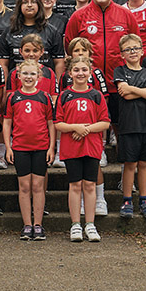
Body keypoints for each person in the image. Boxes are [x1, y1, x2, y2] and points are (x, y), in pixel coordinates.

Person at [55, 60, 110, 242]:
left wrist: (85, 129)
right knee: (75, 185)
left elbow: (105, 122)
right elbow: (58, 123)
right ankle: (75, 224)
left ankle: (90, 224)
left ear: (90, 72)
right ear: (70, 73)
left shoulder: (96, 95)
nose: (80, 73)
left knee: (89, 185)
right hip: (71, 147)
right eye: (76, 70)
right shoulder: (65, 95)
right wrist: (75, 127)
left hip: (91, 146)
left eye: (84, 70)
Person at [4, 60, 55, 242]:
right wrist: (8, 147)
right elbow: (7, 123)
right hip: (20, 147)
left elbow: (51, 123)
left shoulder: (45, 97)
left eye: (32, 74)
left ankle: (38, 224)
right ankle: (27, 224)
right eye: (25, 73)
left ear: (39, 77)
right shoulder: (13, 97)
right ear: (19, 76)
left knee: (38, 187)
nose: (28, 77)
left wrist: (51, 147)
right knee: (24, 187)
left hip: (41, 147)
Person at [112, 34, 146, 221]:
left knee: (144, 164)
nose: (132, 52)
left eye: (135, 48)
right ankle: (127, 201)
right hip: (128, 126)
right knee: (130, 164)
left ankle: (144, 200)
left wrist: (133, 89)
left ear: (142, 51)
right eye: (128, 49)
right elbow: (125, 94)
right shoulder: (119, 71)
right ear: (122, 54)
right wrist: (145, 91)